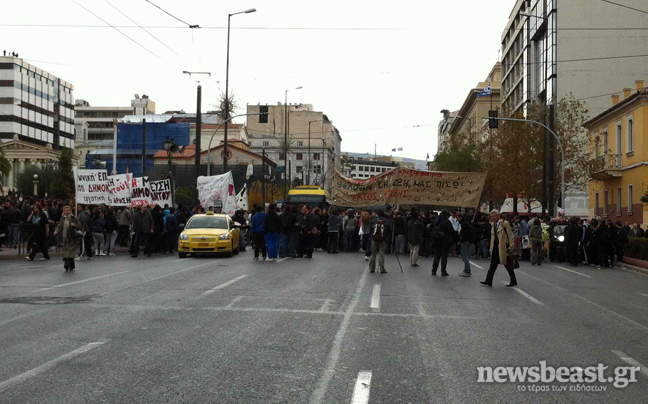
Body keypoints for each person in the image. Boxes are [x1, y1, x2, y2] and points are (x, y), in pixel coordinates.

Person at [480, 210, 518, 287]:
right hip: (495, 247)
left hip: (503, 247)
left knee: (508, 265)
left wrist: (511, 246)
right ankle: (488, 280)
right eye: (491, 216)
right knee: (492, 265)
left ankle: (513, 281)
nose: (492, 218)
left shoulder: (505, 223)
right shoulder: (493, 224)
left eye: (493, 216)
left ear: (498, 216)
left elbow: (510, 235)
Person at [55, 205, 81, 272]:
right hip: (65, 237)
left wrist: (74, 225)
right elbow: (60, 226)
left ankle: (66, 265)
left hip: (72, 237)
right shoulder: (62, 219)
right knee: (68, 251)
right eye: (66, 210)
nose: (67, 211)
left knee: (69, 251)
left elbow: (79, 226)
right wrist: (56, 231)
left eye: (68, 210)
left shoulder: (74, 218)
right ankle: (72, 265)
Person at [431, 210, 455, 276]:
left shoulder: (436, 220)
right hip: (445, 241)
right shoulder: (447, 222)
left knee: (437, 256)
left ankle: (434, 270)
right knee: (444, 257)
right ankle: (443, 271)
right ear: (447, 215)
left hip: (436, 240)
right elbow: (451, 231)